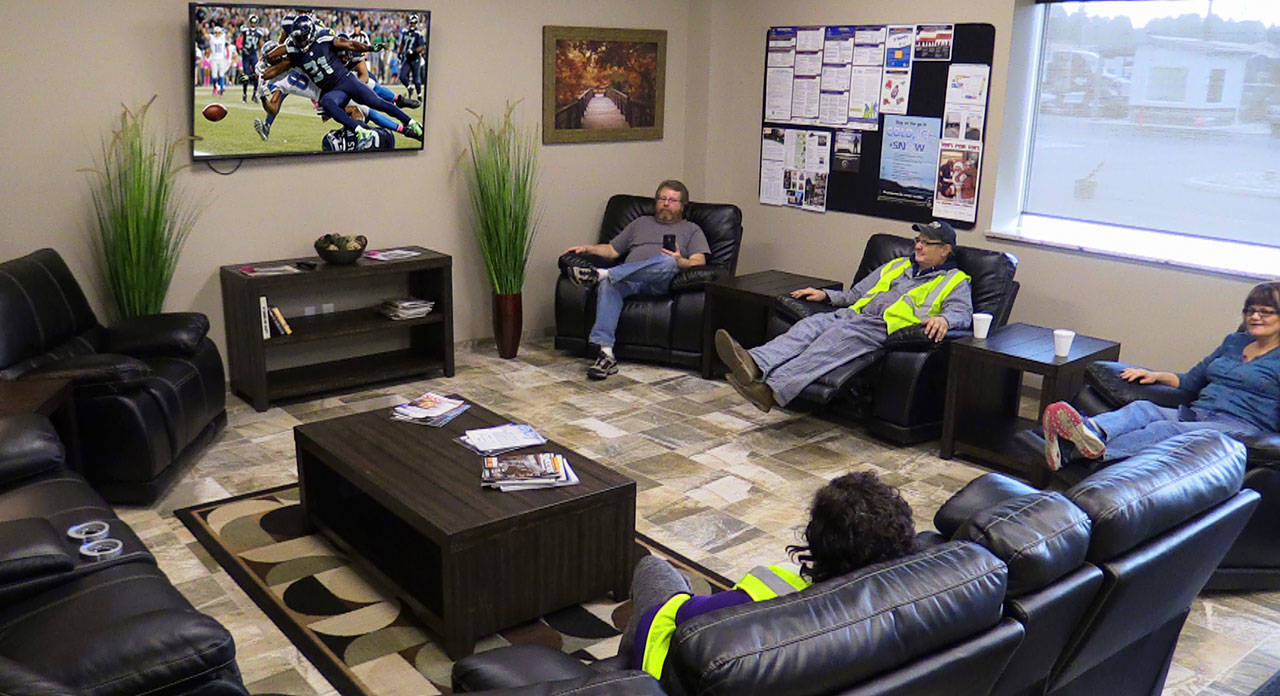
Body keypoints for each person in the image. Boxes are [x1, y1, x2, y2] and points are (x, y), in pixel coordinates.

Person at [618, 471, 915, 679]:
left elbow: (677, 617)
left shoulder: (769, 596)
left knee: (653, 569)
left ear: (818, 538)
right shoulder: (918, 595)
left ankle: (620, 675)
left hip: (682, 670)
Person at [716, 220, 972, 412]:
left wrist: (945, 320)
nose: (918, 245)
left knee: (835, 337)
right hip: (854, 314)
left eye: (927, 242)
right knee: (811, 324)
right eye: (918, 239)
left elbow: (962, 312)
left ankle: (770, 389)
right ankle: (754, 362)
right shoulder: (898, 265)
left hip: (885, 328)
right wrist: (825, 296)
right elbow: (857, 292)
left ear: (945, 250)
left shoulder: (955, 281)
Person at [1041, 281, 1280, 471]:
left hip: (1241, 428)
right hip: (1198, 413)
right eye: (1250, 311)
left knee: (1165, 429)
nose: (1255, 317)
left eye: (1265, 312)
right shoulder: (1234, 342)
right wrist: (1154, 375)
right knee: (1142, 408)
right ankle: (1090, 431)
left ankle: (1073, 451)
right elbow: (1190, 380)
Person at [563, 180, 711, 380]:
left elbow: (698, 263)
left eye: (673, 200)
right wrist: (588, 248)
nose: (666, 203)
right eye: (662, 198)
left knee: (667, 261)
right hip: (630, 281)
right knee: (610, 284)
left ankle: (601, 274)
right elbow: (612, 250)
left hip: (661, 282)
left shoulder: (692, 229)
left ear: (682, 206)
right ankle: (605, 354)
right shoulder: (640, 223)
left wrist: (679, 260)